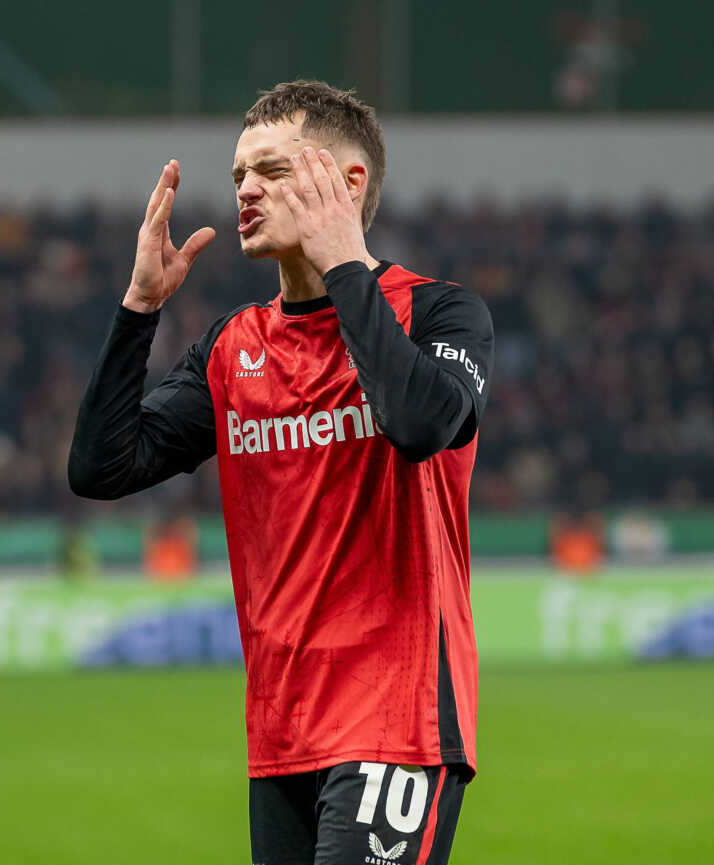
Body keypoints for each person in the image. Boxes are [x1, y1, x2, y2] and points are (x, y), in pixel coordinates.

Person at [68, 80, 492, 865]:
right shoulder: (234, 350)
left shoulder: (440, 314)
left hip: (396, 719)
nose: (245, 191)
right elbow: (101, 466)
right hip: (284, 731)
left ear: (349, 182)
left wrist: (344, 267)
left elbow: (417, 422)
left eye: (270, 169)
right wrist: (137, 308)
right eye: (237, 176)